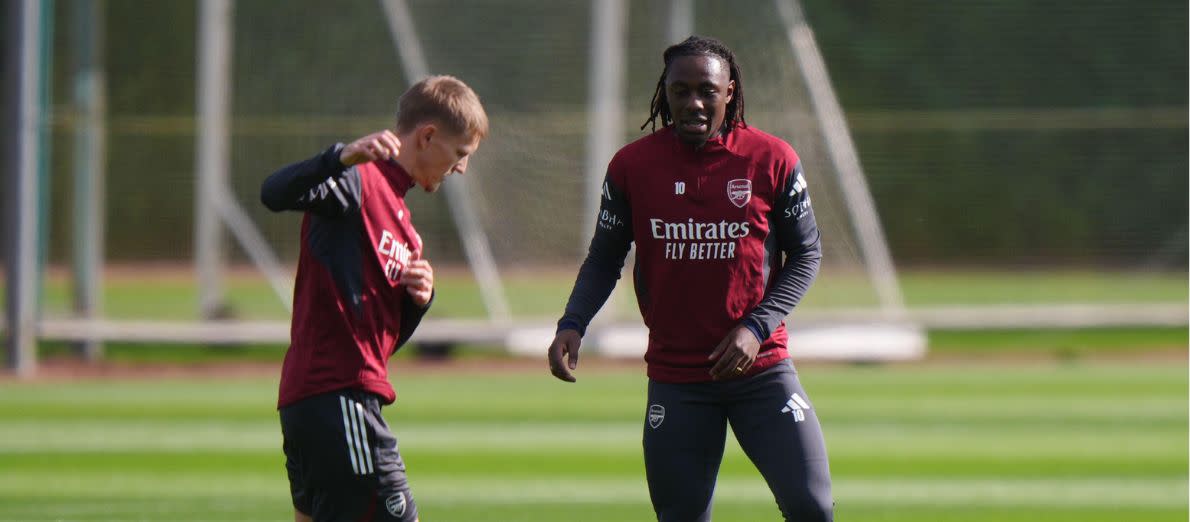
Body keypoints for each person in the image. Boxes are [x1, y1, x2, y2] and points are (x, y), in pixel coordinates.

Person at [547, 36, 833, 521]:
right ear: (665, 93)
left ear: (730, 92)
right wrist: (573, 321)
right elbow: (603, 259)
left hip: (762, 371)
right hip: (677, 378)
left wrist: (756, 327)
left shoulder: (772, 159)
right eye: (680, 90)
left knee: (812, 507)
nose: (693, 102)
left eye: (707, 89)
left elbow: (806, 254)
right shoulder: (632, 166)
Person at [261, 75, 488, 522]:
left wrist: (415, 304)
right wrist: (339, 157)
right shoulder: (358, 181)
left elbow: (378, 344)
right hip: (338, 399)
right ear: (427, 136)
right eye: (460, 154)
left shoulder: (404, 227)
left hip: (322, 400)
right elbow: (274, 193)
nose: (461, 168)